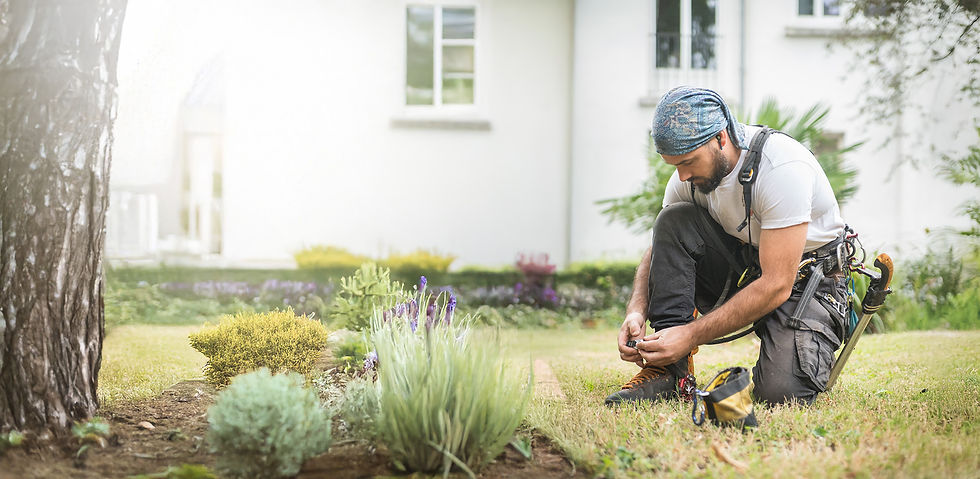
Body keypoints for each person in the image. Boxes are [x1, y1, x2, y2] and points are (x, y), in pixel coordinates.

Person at [604, 86, 849, 406]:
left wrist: (690, 335)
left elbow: (777, 284)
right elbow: (661, 247)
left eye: (688, 162)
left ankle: (803, 343)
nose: (682, 175)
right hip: (746, 265)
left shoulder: (781, 168)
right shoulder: (688, 178)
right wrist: (637, 309)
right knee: (672, 219)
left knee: (781, 393)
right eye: (674, 165)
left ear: (721, 138)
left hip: (808, 277)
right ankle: (668, 372)